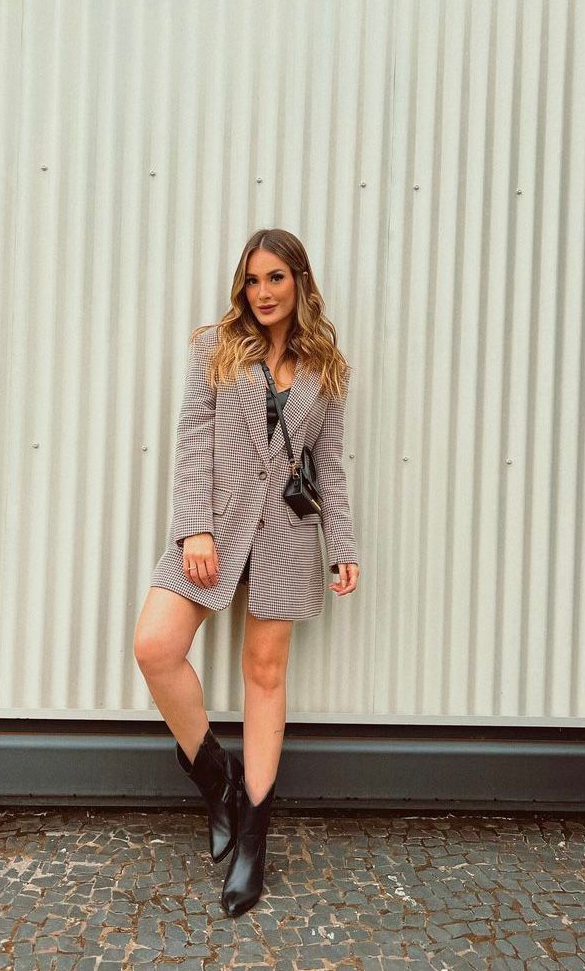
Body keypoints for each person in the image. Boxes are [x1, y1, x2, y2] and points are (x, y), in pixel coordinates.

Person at [133, 228, 360, 918]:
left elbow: (329, 466)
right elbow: (191, 441)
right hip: (216, 527)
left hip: (287, 535)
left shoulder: (326, 366)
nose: (263, 292)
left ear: (300, 282)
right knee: (156, 646)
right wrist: (193, 526)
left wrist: (343, 544)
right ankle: (217, 780)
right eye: (253, 280)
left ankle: (254, 836)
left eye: (276, 278)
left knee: (265, 674)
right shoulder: (216, 346)